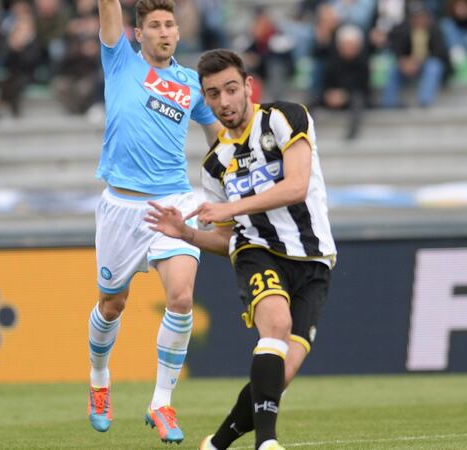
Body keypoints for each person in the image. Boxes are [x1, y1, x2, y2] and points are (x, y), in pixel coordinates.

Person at [145, 48, 337, 450]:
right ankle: (267, 443)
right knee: (275, 325)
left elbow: (297, 186)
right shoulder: (215, 164)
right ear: (205, 99)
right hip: (256, 250)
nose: (224, 101)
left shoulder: (285, 118)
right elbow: (226, 237)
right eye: (213, 94)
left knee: (281, 373)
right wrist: (187, 235)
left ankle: (216, 443)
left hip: (313, 258)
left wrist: (231, 208)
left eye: (231, 89)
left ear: (249, 86)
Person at [87, 0, 220, 444]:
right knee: (112, 305)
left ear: (179, 33)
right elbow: (108, 6)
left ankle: (161, 402)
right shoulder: (120, 60)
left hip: (173, 203)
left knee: (180, 297)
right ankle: (99, 380)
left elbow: (218, 139)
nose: (164, 31)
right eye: (155, 25)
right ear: (139, 34)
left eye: (169, 25)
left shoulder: (192, 84)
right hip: (122, 207)